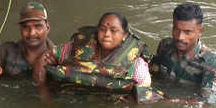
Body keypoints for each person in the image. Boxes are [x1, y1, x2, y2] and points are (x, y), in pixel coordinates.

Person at [33, 12, 163, 103]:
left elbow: (144, 91)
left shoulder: (136, 64)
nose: (107, 34)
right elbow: (44, 58)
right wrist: (43, 92)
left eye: (113, 30)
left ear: (124, 35)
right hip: (73, 98)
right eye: (102, 29)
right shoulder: (76, 47)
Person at [150, 2, 216, 105]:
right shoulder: (165, 46)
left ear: (200, 31)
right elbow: (153, 74)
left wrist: (169, 103)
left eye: (187, 32)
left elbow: (208, 102)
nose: (180, 37)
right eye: (176, 29)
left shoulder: (211, 62)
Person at [0, 1, 54, 84]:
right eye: (25, 27)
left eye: (38, 26)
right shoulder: (5, 52)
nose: (31, 33)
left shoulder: (60, 57)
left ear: (47, 27)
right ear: (20, 29)